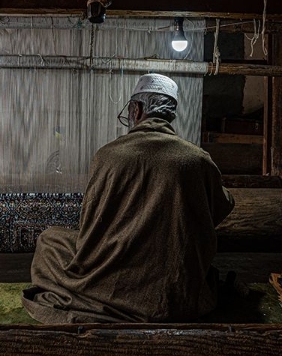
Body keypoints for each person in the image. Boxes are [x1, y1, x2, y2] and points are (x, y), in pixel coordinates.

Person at [21, 73, 234, 323]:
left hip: (114, 272)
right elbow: (222, 206)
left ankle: (107, 296)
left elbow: (89, 224)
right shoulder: (198, 160)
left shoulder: (108, 156)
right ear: (171, 114)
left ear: (137, 109)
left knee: (49, 241)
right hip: (174, 285)